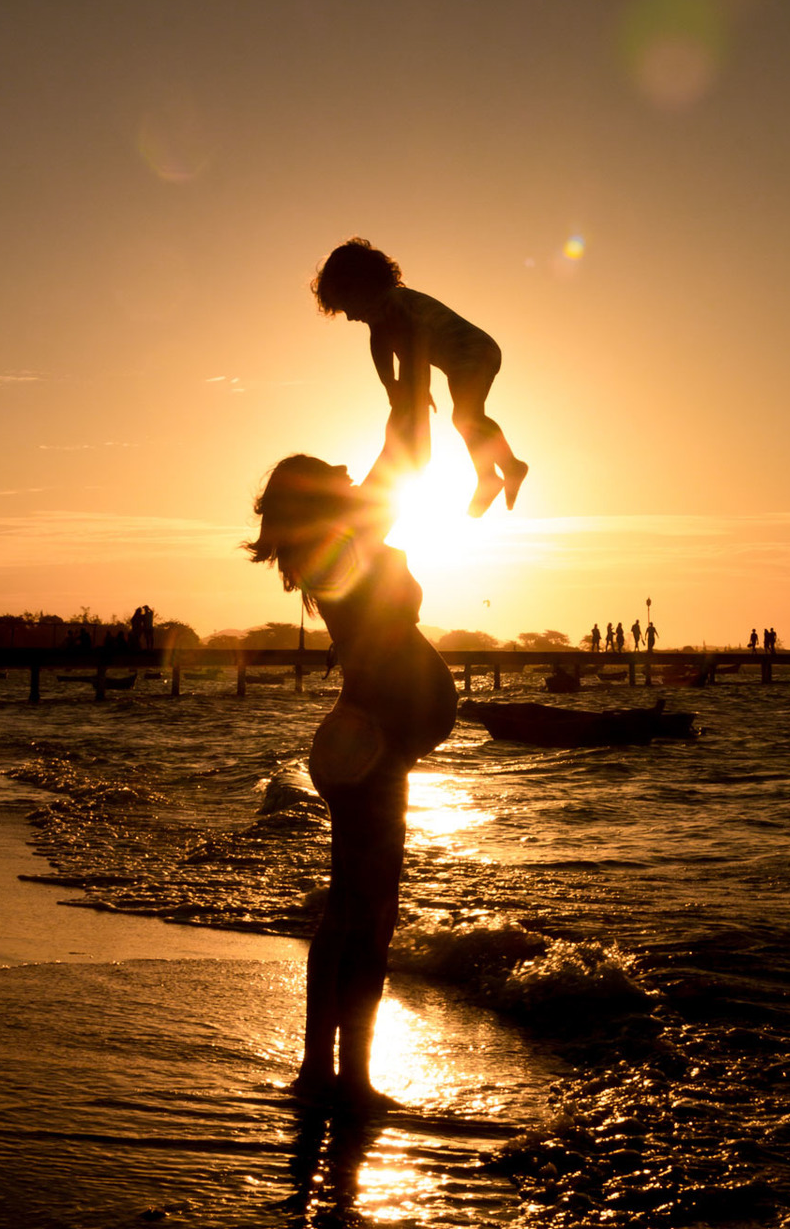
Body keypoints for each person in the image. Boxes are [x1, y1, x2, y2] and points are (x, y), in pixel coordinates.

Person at [246, 445, 457, 1116]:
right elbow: (404, 452)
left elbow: (399, 459)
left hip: (365, 740)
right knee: (370, 916)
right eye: (338, 477)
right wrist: (409, 359)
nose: (351, 476)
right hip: (368, 742)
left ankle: (321, 1071)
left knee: (351, 911)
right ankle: (351, 1081)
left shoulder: (334, 546)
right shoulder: (347, 542)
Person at [312, 239, 528, 518]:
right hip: (465, 355)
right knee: (466, 418)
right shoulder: (382, 316)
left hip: (473, 349)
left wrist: (415, 387)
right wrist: (393, 385)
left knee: (466, 417)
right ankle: (499, 472)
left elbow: (417, 340)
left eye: (348, 305)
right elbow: (381, 346)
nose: (351, 316)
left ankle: (503, 470)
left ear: (362, 286)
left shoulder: (395, 302)